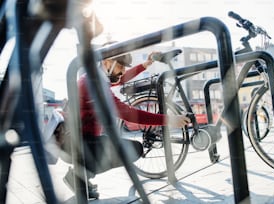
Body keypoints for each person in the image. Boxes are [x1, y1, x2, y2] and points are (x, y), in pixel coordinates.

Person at [62, 42, 191, 199]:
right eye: (121, 66)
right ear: (107, 62)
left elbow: (121, 80)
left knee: (118, 146)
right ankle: (78, 175)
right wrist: (168, 120)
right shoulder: (93, 84)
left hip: (81, 139)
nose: (123, 71)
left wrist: (145, 65)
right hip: (77, 143)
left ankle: (80, 175)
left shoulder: (95, 76)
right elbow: (127, 113)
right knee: (133, 149)